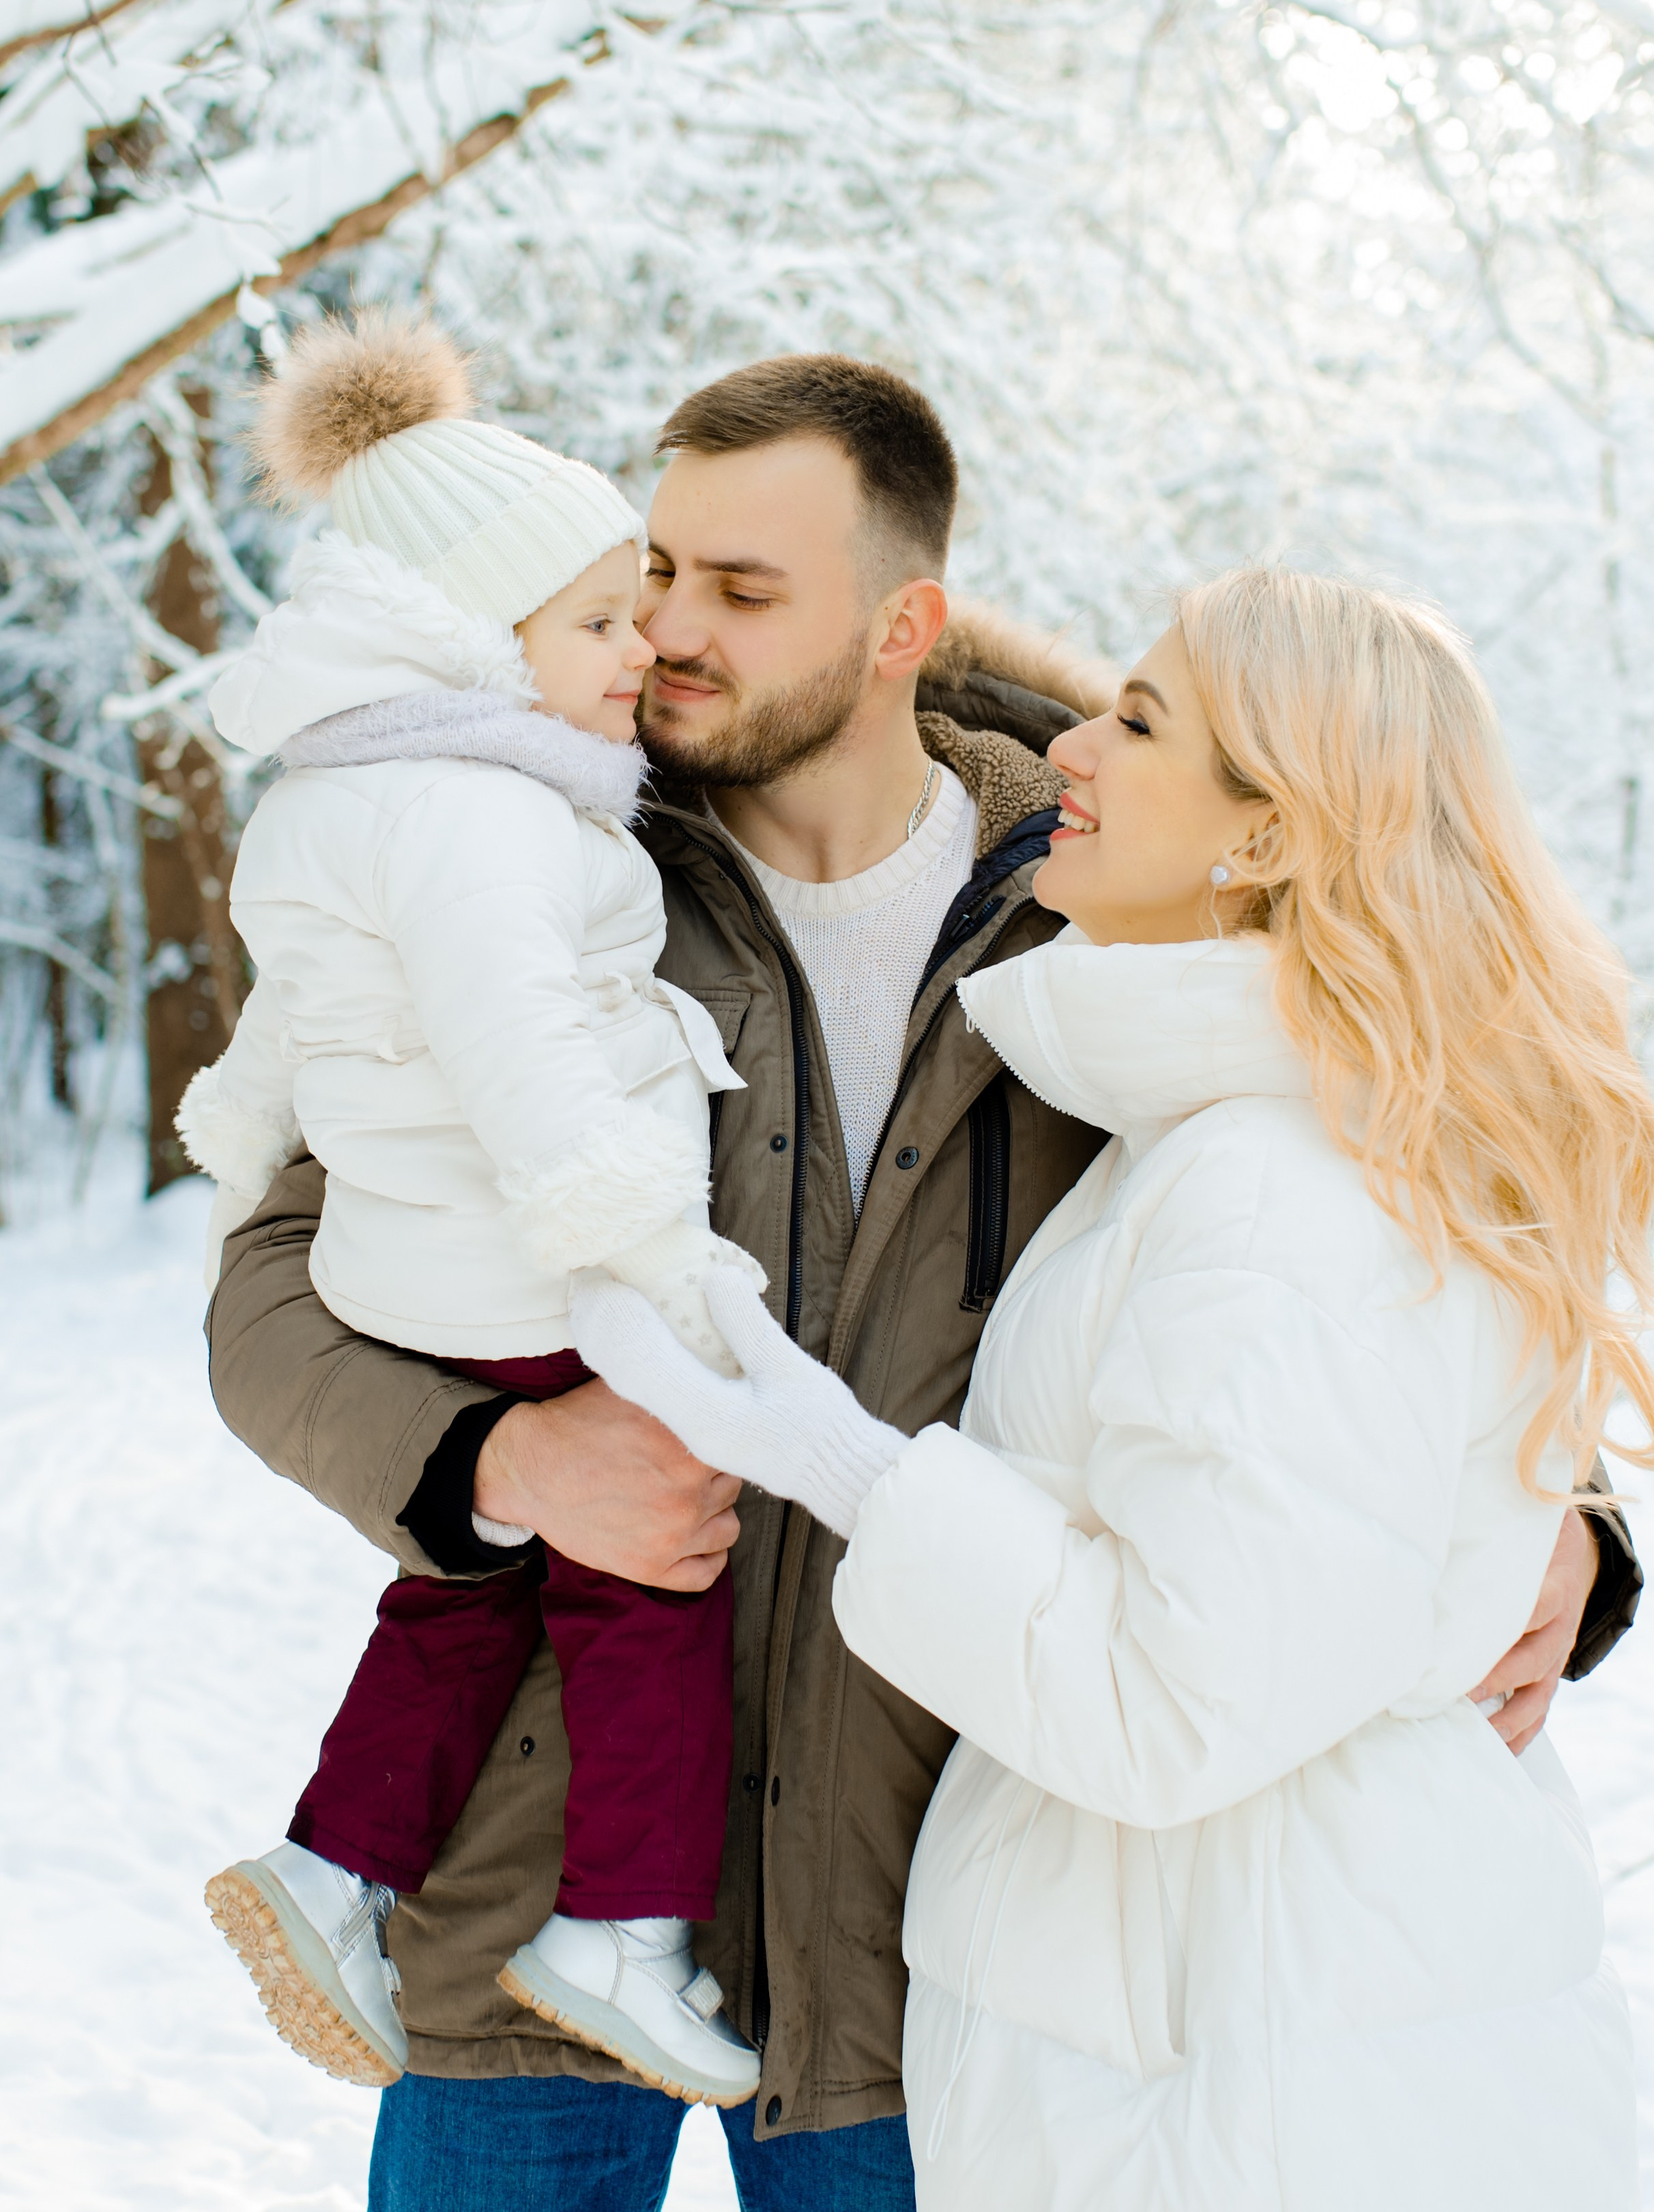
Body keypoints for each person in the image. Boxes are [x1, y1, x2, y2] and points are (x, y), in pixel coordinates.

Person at [204, 364, 1639, 2212]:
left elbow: (1406, 1161)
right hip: (533, 1887)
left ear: (906, 626)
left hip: (922, 1943)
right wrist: (495, 1463)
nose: (665, 632)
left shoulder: (1114, 922)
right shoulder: (523, 853)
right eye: (653, 575)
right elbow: (270, 1276)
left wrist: (1567, 1518)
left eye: (742, 592)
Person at [576, 566, 1651, 2209]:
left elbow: (1178, 1702)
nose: (1069, 745)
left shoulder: (1271, 1195)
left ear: (1270, 834)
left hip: (1257, 2077)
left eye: (1140, 722)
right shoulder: (1230, 1146)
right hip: (1223, 2020)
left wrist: (860, 1472)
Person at [181, 310, 765, 2104]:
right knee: (648, 1586)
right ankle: (618, 1929)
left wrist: (233, 1126)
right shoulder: (490, 821)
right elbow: (522, 1049)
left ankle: (332, 1864)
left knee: (466, 1593)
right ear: (464, 639)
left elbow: (288, 1019)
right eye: (598, 620)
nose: (643, 648)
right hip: (531, 1269)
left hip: (412, 1268)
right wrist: (639, 1242)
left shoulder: (333, 801)